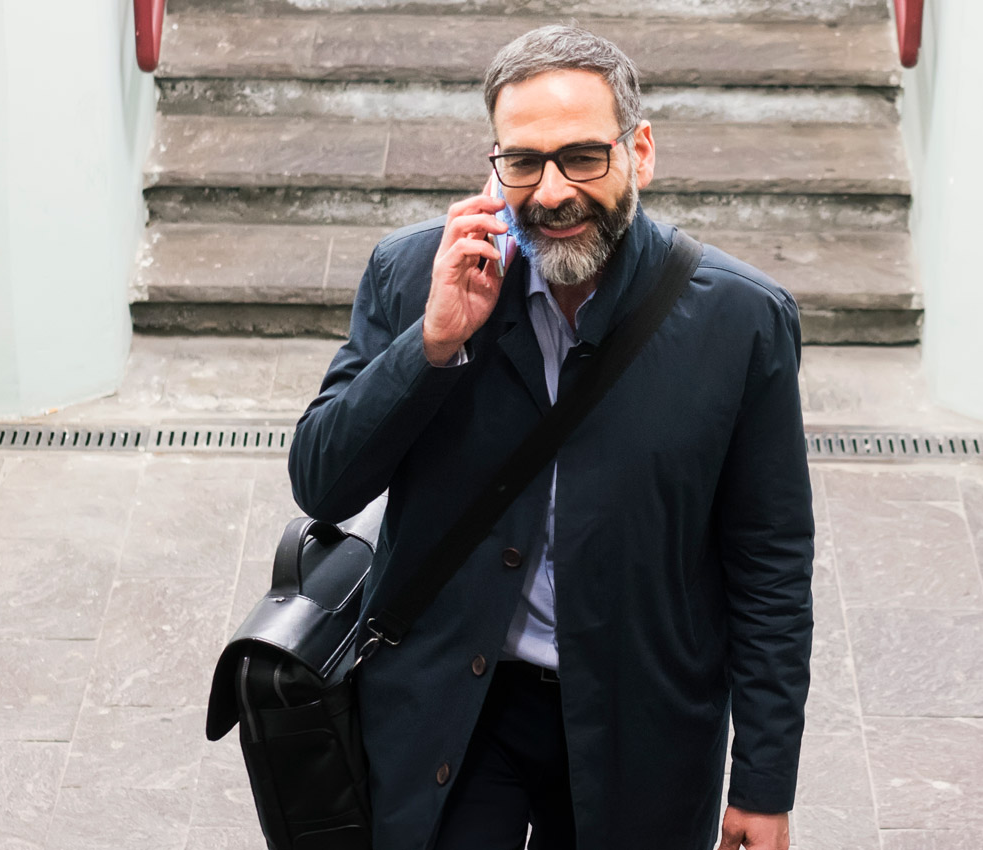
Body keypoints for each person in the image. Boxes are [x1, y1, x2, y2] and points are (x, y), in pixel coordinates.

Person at [288, 25, 815, 850]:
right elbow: (322, 483)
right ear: (492, 163)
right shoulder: (411, 273)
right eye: (523, 162)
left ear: (638, 150)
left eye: (582, 157)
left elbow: (770, 562)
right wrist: (428, 346)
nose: (552, 191)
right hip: (453, 716)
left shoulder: (740, 320)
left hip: (637, 729)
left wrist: (762, 782)